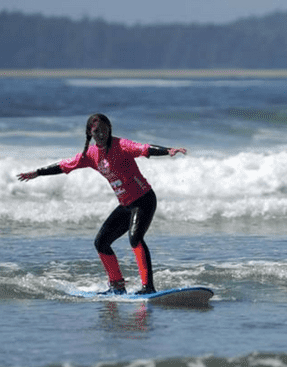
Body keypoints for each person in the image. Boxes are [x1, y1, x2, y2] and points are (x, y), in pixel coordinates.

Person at [17, 113, 186, 295]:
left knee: (135, 238)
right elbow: (65, 165)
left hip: (144, 199)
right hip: (126, 204)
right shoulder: (90, 154)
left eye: (105, 130)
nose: (101, 134)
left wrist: (167, 150)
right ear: (90, 133)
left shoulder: (121, 145)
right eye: (97, 131)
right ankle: (117, 286)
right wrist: (38, 172)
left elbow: (143, 149)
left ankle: (148, 287)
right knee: (101, 242)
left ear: (109, 130)